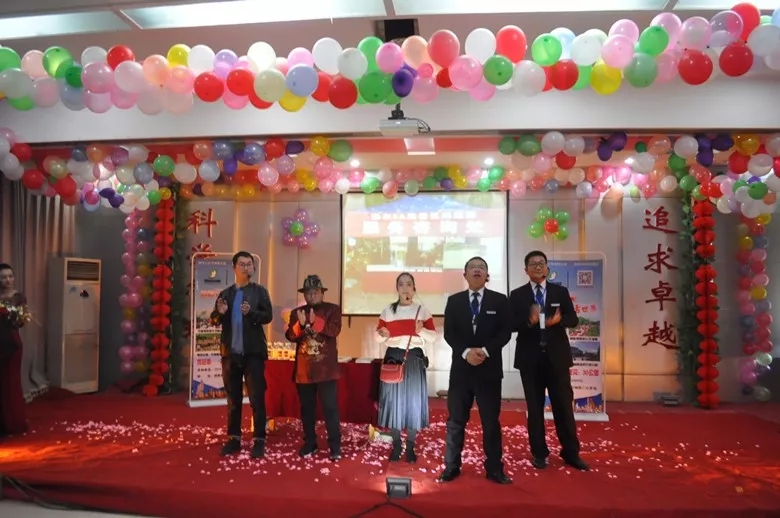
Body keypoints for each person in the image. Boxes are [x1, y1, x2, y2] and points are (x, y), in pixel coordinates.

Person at [510, 250, 589, 471]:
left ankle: (571, 453)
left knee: (563, 406)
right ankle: (539, 453)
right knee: (535, 409)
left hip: (557, 359)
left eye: (541, 263)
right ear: (526, 270)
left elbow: (573, 319)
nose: (538, 266)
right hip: (530, 360)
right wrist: (530, 320)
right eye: (533, 264)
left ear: (547, 268)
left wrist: (558, 320)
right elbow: (510, 324)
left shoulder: (559, 291)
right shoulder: (517, 295)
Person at [438, 257, 512, 484]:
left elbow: (505, 332)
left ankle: (494, 469)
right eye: (472, 267)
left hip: (489, 371)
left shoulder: (500, 300)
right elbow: (449, 333)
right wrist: (466, 353)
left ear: (487, 275)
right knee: (456, 421)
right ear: (465, 274)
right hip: (461, 372)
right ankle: (451, 466)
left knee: (490, 422)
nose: (477, 270)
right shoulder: (454, 301)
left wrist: (485, 351)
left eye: (481, 267)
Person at [210, 252, 273, 459]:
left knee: (256, 398)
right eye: (242, 264)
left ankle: (259, 440)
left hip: (253, 353)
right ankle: (234, 439)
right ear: (234, 268)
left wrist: (251, 313)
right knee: (233, 399)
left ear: (253, 268)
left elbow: (268, 316)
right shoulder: (226, 294)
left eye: (249, 264)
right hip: (230, 354)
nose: (246, 268)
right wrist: (219, 313)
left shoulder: (260, 292)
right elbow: (213, 320)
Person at [375, 273, 436, 463]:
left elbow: (433, 337)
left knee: (412, 403)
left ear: (414, 288)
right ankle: (396, 445)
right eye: (401, 284)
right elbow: (377, 337)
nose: (405, 288)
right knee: (393, 402)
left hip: (414, 359)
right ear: (397, 289)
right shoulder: (388, 310)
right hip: (393, 358)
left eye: (409, 284)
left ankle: (410, 445)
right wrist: (382, 334)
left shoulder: (422, 310)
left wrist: (421, 330)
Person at [285, 275, 343, 461]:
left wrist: (315, 321)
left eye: (315, 292)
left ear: (322, 292)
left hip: (326, 370)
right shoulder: (297, 312)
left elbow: (334, 330)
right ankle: (310, 443)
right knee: (307, 409)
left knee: (330, 409)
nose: (312, 295)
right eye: (308, 292)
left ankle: (335, 446)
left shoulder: (332, 309)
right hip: (305, 370)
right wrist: (300, 325)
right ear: (304, 294)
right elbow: (290, 336)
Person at [0, 263, 29, 438]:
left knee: (11, 383)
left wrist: (16, 317)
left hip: (12, 343)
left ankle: (13, 422)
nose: (8, 280)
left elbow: (21, 323)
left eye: (10, 276)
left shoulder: (18, 297)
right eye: (3, 277)